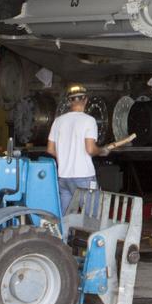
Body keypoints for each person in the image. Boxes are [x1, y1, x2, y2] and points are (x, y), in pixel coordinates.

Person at [46, 84, 109, 213]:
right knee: (91, 216)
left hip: (64, 177)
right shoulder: (89, 120)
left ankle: (64, 234)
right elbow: (90, 149)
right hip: (84, 176)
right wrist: (103, 151)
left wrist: (64, 158)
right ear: (86, 99)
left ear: (69, 101)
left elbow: (50, 149)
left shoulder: (58, 121)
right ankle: (91, 233)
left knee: (66, 218)